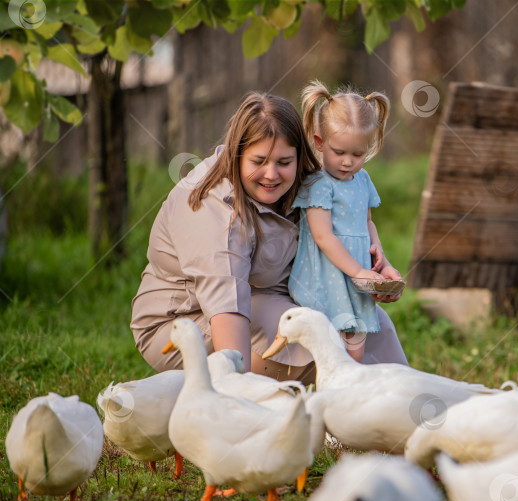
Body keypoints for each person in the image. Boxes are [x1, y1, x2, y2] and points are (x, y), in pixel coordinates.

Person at [131, 92, 407, 385]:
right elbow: (229, 311)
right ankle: (283, 411)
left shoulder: (308, 181)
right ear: (237, 154)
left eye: (284, 161)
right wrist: (236, 390)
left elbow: (346, 231)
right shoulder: (216, 212)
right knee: (321, 336)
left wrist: (377, 271)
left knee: (367, 328)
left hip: (271, 299)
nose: (271, 174)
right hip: (188, 320)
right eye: (258, 161)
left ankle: (417, 410)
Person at [289, 81, 401, 363]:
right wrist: (358, 272)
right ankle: (325, 397)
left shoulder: (363, 180)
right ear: (319, 142)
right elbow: (323, 236)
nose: (348, 162)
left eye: (358, 154)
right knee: (335, 346)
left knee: (355, 347)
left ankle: (348, 398)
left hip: (356, 275)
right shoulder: (319, 184)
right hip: (328, 276)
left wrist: (379, 255)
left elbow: (367, 222)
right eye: (339, 152)